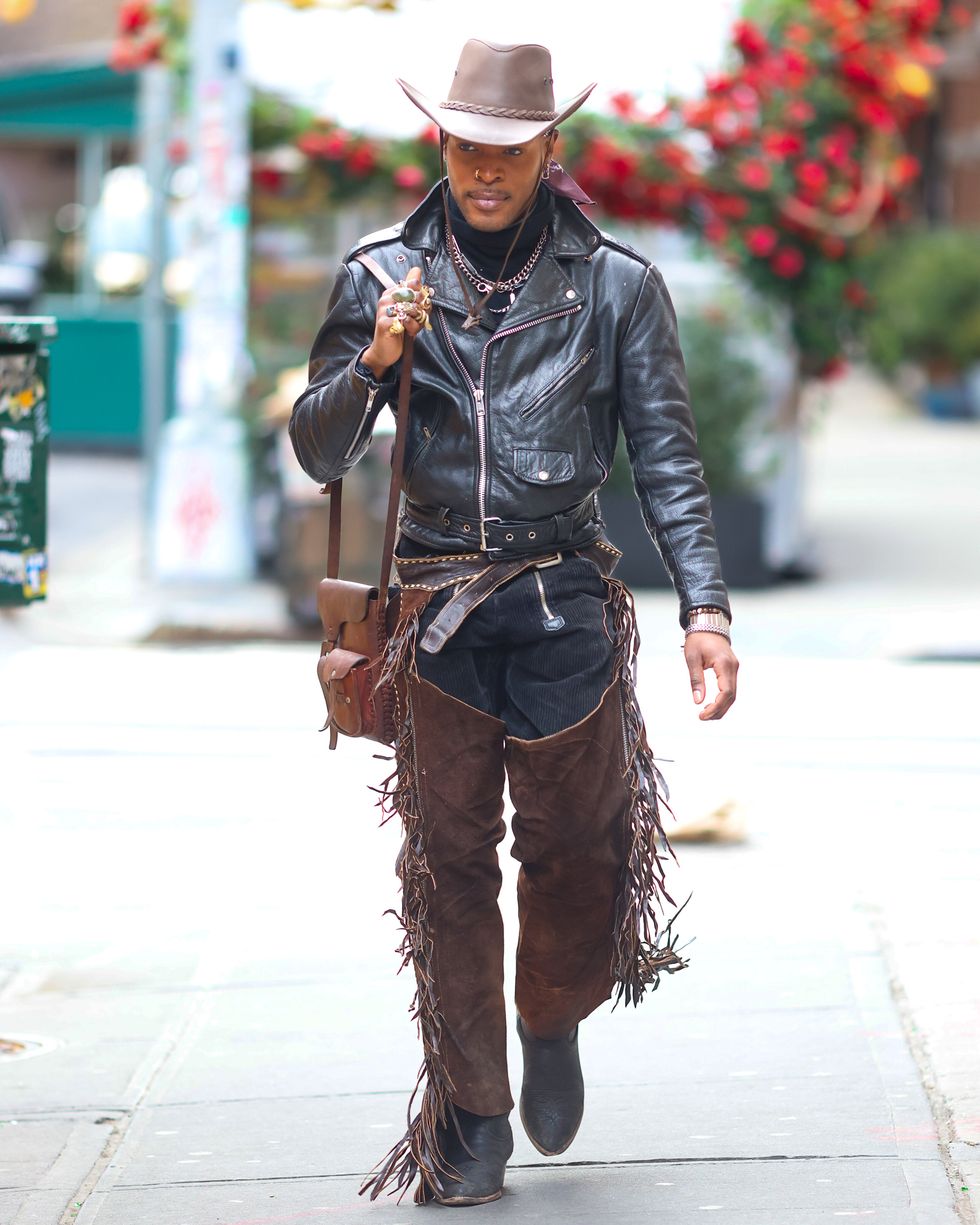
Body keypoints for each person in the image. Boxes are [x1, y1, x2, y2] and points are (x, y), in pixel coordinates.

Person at [290, 38, 739, 1208]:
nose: (483, 169)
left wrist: (704, 608)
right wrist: (377, 357)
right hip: (434, 610)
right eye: (465, 145)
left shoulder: (615, 284)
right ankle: (474, 1109)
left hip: (562, 604)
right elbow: (315, 446)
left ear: (549, 148)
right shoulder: (381, 272)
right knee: (445, 866)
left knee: (579, 849)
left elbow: (670, 463)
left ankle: (551, 1017)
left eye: (507, 148)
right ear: (440, 143)